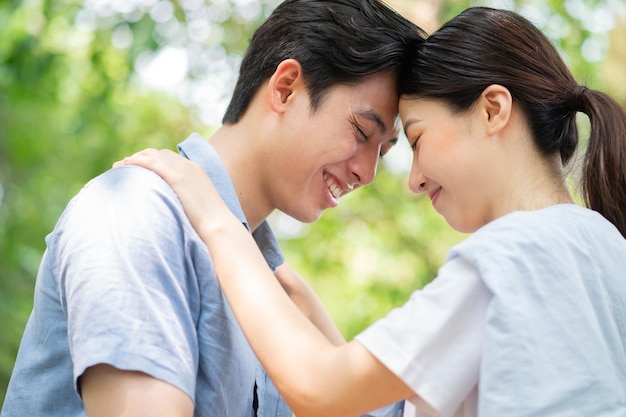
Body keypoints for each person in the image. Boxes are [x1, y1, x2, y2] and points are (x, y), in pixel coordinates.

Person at [113, 6, 626, 417]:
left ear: (493, 110)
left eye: (416, 139)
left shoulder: (513, 257)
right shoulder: (604, 248)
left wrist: (217, 220)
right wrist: (310, 311)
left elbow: (319, 389)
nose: (414, 179)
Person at [1, 1, 426, 416]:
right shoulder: (141, 211)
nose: (367, 173)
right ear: (286, 88)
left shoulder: (276, 293)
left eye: (385, 151)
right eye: (361, 131)